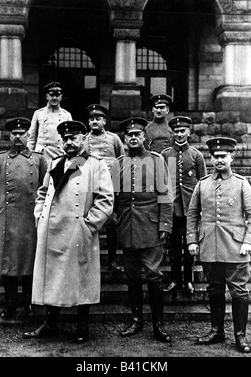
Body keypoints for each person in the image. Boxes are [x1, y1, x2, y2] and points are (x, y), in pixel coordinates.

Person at [23, 120, 114, 343]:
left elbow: (106, 200)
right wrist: (39, 216)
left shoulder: (94, 164)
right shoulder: (55, 163)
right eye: (65, 139)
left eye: (73, 138)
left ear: (83, 139)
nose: (69, 142)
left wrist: (89, 224)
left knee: (81, 279)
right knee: (53, 277)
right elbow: (43, 193)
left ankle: (82, 327)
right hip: (52, 230)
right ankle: (50, 324)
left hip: (78, 232)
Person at [186, 137, 251, 354]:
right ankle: (216, 330)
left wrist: (249, 241)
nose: (219, 160)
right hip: (209, 247)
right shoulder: (202, 184)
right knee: (214, 290)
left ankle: (240, 335)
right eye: (215, 156)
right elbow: (192, 213)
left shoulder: (241, 183)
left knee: (239, 293)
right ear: (210, 158)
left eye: (223, 156)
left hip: (236, 248)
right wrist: (192, 239)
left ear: (232, 157)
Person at [111, 117, 173, 343]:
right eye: (129, 135)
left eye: (138, 134)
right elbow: (113, 197)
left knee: (153, 274)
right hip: (127, 225)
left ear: (144, 137)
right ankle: (136, 321)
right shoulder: (118, 163)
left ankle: (159, 325)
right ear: (124, 139)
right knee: (132, 275)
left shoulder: (156, 160)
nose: (134, 138)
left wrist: (165, 224)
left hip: (150, 225)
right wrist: (114, 218)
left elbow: (166, 195)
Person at [0, 117, 47, 319]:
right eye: (14, 134)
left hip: (30, 219)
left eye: (22, 133)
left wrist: (42, 212)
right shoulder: (0, 160)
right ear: (9, 136)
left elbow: (47, 188)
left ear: (29, 135)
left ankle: (28, 304)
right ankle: (10, 304)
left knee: (28, 265)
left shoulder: (39, 159)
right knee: (8, 265)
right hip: (7, 220)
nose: (18, 137)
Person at [161, 116, 207, 295]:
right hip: (171, 210)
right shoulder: (166, 154)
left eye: (183, 131)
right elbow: (161, 184)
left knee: (190, 248)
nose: (179, 134)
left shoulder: (196, 155)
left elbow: (203, 183)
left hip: (190, 210)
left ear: (189, 132)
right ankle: (174, 280)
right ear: (171, 133)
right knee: (173, 249)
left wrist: (201, 209)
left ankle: (188, 281)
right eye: (176, 132)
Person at [84, 104, 125, 273]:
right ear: (88, 122)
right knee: (91, 223)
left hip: (110, 186)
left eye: (98, 119)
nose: (95, 122)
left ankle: (113, 260)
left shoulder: (114, 138)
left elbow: (122, 161)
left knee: (111, 224)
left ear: (104, 121)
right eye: (92, 119)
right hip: (91, 186)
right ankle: (89, 261)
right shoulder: (84, 139)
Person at [27, 81, 73, 165]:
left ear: (61, 97)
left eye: (57, 95)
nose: (54, 98)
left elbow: (70, 138)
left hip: (60, 155)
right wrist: (29, 157)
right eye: (52, 95)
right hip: (41, 156)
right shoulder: (38, 113)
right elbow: (31, 139)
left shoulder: (66, 115)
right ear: (47, 96)